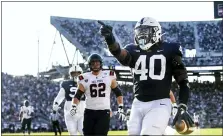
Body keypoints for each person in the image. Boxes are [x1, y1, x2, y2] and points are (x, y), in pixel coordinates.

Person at [98, 17, 194, 135]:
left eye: (145, 32)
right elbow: (120, 54)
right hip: (138, 103)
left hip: (160, 103)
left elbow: (183, 82)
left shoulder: (170, 49)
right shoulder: (132, 49)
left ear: (155, 32)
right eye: (139, 32)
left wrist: (182, 107)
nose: (141, 36)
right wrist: (109, 38)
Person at [70, 53, 125, 136]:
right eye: (93, 63)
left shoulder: (109, 75)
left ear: (101, 63)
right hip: (89, 111)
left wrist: (120, 106)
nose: (95, 65)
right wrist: (74, 106)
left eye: (97, 63)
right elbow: (78, 95)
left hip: (103, 112)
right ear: (89, 65)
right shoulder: (84, 77)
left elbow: (118, 92)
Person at [52, 65, 86, 135]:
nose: (76, 75)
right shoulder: (66, 84)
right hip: (69, 108)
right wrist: (56, 103)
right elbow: (60, 96)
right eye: (74, 73)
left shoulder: (85, 83)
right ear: (70, 74)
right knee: (72, 132)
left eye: (77, 73)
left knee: (83, 131)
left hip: (82, 109)